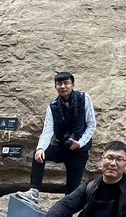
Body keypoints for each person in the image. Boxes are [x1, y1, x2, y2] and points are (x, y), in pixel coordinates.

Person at [16, 72, 97, 205]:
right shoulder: (53, 105)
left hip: (79, 150)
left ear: (73, 85)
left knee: (71, 192)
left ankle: (67, 213)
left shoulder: (84, 98)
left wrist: (80, 143)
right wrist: (40, 148)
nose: (63, 86)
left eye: (66, 83)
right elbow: (47, 130)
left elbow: (91, 125)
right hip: (62, 146)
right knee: (39, 154)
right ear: (55, 86)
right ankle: (34, 191)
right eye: (59, 84)